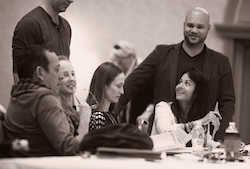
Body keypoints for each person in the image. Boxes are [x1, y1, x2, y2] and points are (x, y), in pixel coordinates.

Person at [117, 7, 235, 142]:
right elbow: (131, 83)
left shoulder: (220, 62)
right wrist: (110, 114)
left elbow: (227, 104)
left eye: (200, 27)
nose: (194, 30)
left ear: (208, 29)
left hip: (200, 142)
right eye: (190, 25)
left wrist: (221, 140)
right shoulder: (161, 54)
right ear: (184, 25)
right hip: (164, 137)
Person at [4, 45, 82, 157]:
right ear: (40, 73)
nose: (60, 76)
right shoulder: (44, 99)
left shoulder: (16, 97)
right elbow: (68, 147)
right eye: (56, 70)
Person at [151, 68, 221, 147]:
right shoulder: (162, 107)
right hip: (163, 158)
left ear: (197, 92)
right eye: (180, 82)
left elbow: (206, 141)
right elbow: (165, 132)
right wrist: (199, 123)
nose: (180, 86)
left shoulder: (200, 114)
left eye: (187, 83)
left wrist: (220, 146)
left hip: (188, 158)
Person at [12, 0, 74, 84]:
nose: (71, 1)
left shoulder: (66, 26)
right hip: (39, 96)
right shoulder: (29, 24)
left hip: (59, 95)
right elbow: (19, 76)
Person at [110, 40, 154, 125]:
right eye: (115, 62)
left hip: (142, 121)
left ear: (131, 56)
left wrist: (148, 111)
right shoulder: (122, 76)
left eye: (120, 61)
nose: (117, 65)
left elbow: (157, 96)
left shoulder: (144, 73)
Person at [58, 55, 91, 139]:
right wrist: (85, 119)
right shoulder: (57, 111)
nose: (71, 78)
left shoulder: (74, 111)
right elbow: (72, 146)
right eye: (65, 75)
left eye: (73, 74)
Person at [86, 62, 125, 132]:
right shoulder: (98, 117)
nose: (122, 91)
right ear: (104, 85)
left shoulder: (111, 115)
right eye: (119, 86)